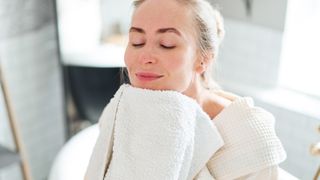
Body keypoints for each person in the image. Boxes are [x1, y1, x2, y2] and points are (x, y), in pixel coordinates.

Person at [85, 0, 287, 179]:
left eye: (166, 44)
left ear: (203, 60)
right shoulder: (120, 112)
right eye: (137, 42)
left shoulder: (248, 138)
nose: (144, 57)